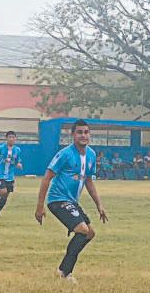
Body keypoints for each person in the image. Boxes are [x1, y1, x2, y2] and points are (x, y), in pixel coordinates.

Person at [35, 119, 108, 283]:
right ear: (73, 135)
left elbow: (88, 181)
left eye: (86, 132)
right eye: (79, 132)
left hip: (71, 201)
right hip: (57, 199)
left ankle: (63, 269)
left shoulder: (91, 155)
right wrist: (40, 207)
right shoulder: (65, 154)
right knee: (82, 230)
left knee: (90, 233)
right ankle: (65, 272)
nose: (83, 135)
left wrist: (99, 205)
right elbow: (47, 178)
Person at [0, 131, 23, 218]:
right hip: (1, 174)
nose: (11, 139)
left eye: (13, 137)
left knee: (5, 196)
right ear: (6, 138)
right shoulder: (0, 148)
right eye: (9, 137)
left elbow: (17, 161)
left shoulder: (17, 150)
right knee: (3, 191)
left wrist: (19, 164)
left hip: (10, 176)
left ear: (15, 139)